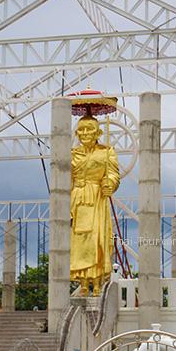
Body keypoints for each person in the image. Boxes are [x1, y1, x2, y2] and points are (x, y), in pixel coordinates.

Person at [70, 116, 120, 294]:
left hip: (97, 198)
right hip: (77, 199)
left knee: (97, 240)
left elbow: (114, 174)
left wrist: (110, 184)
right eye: (81, 130)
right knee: (80, 242)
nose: (84, 133)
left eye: (89, 129)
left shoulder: (107, 152)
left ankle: (98, 282)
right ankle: (83, 282)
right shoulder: (72, 154)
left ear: (98, 132)